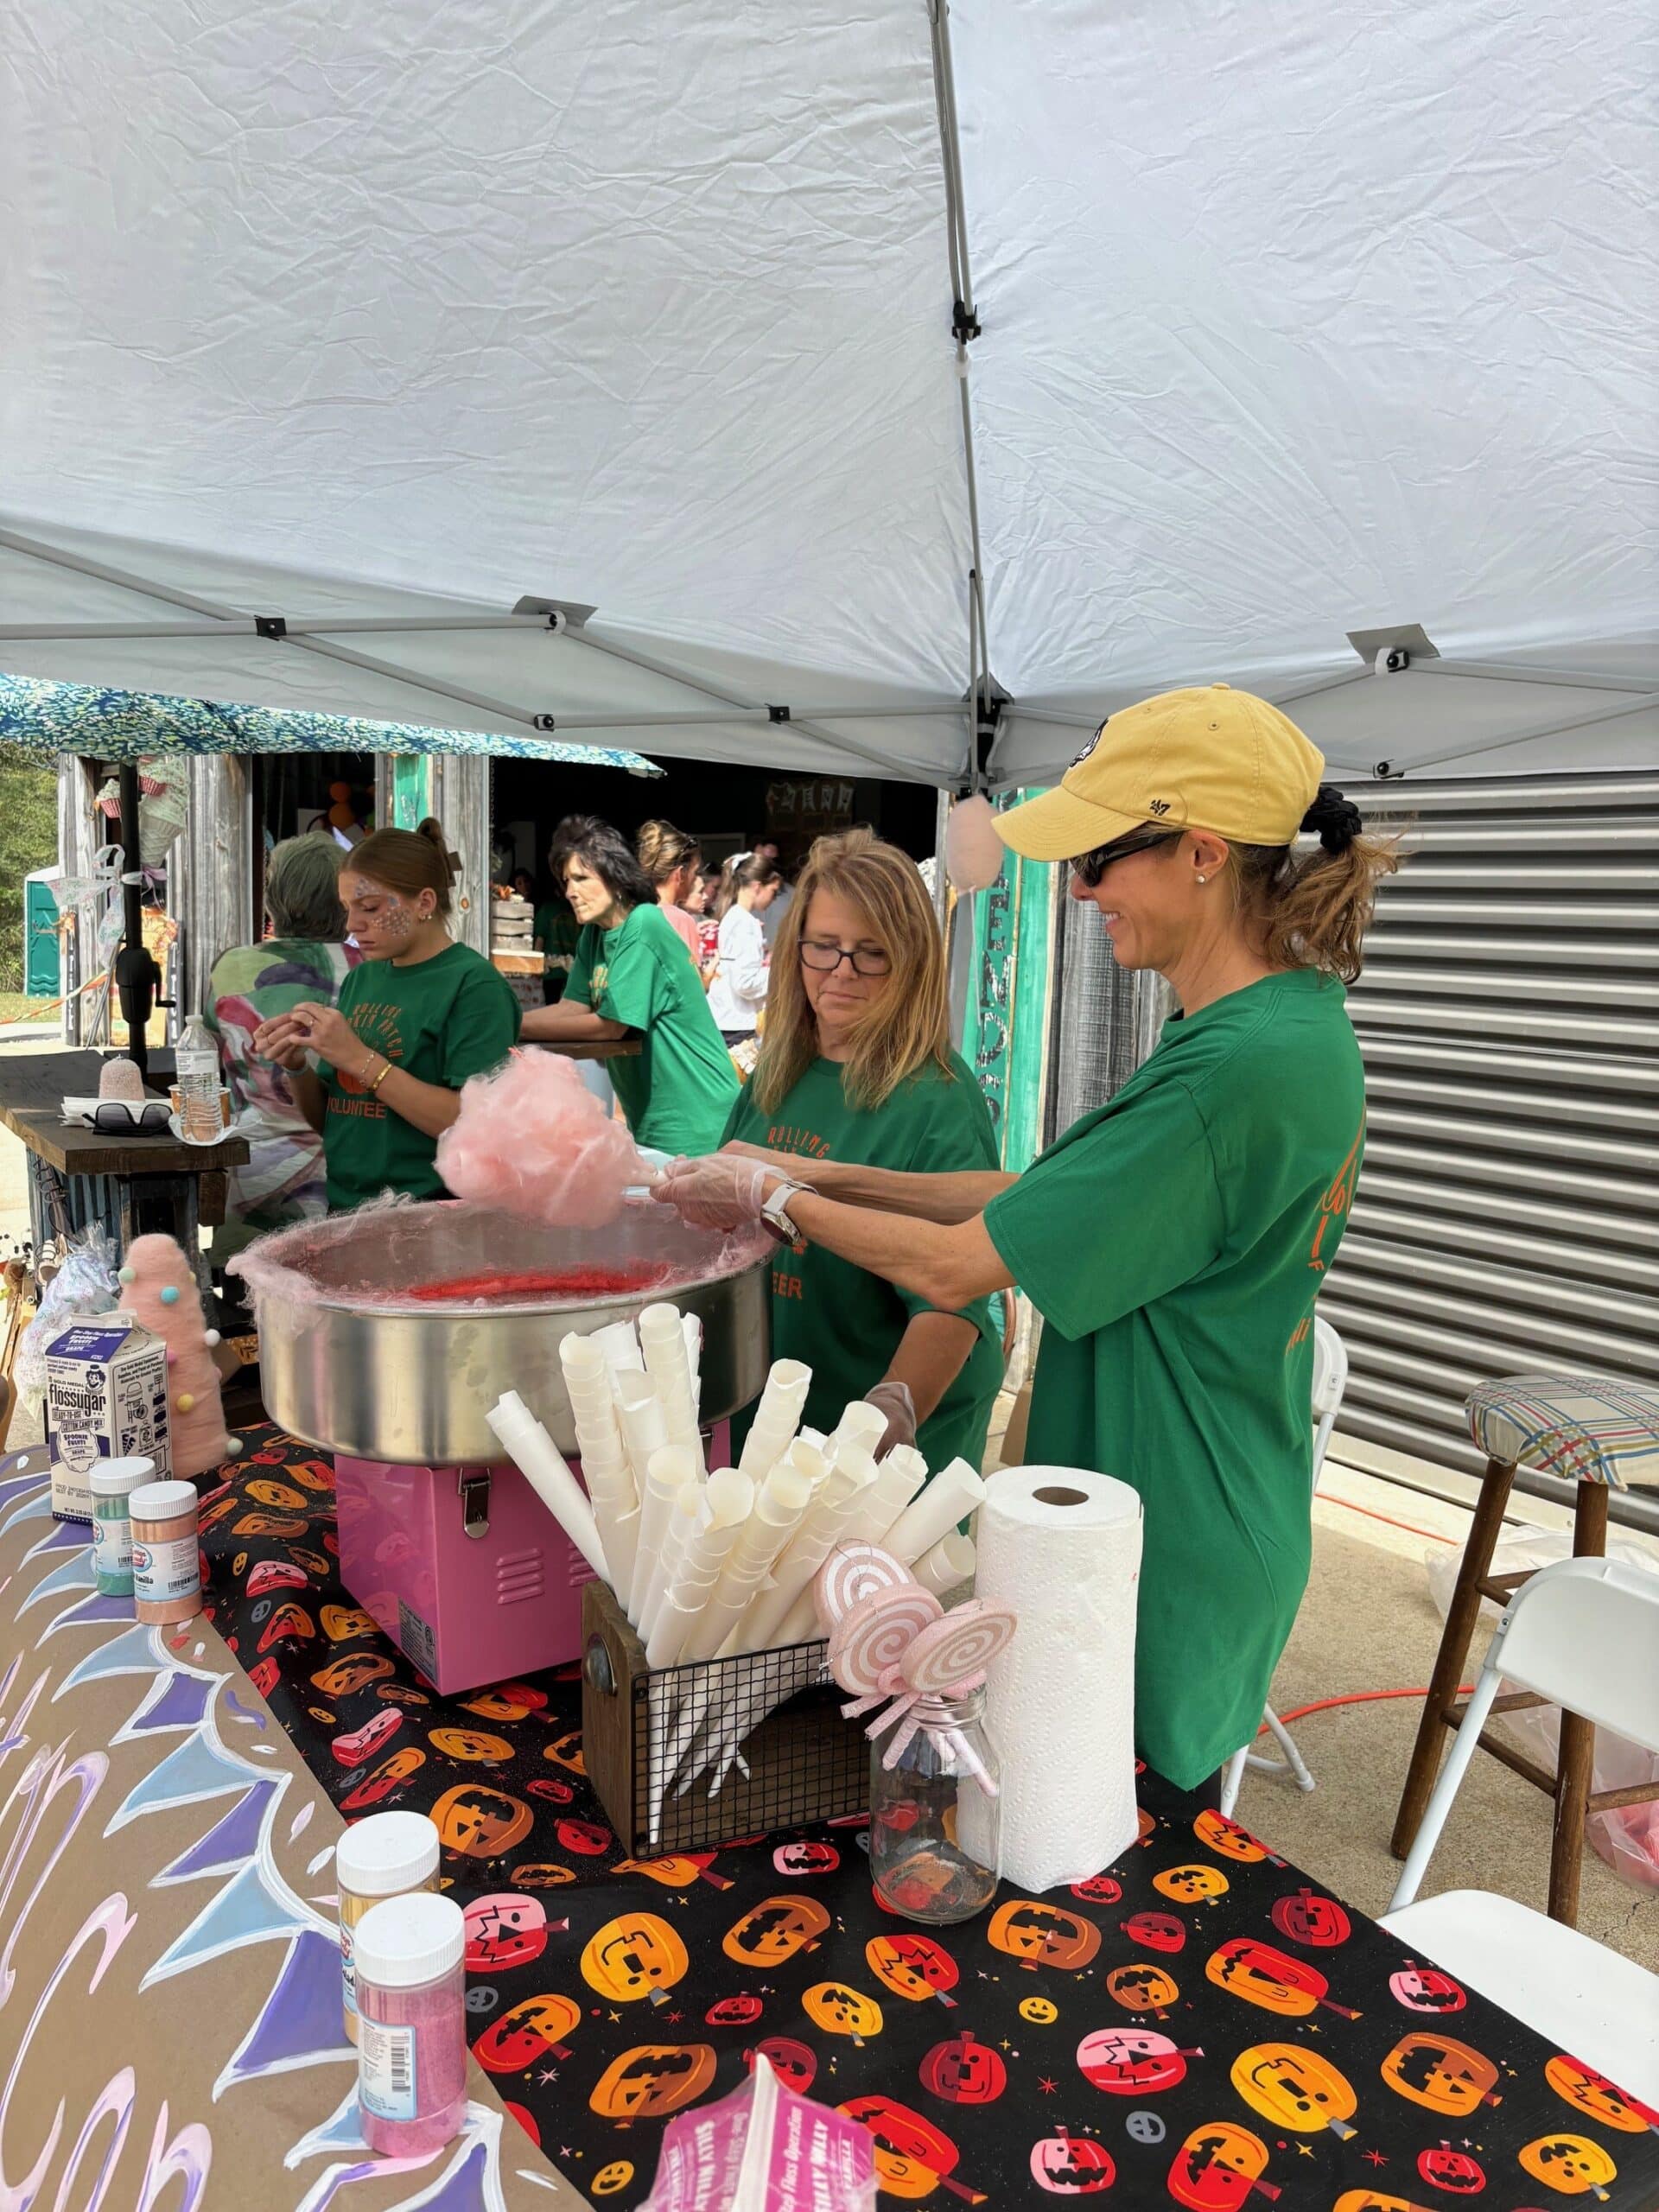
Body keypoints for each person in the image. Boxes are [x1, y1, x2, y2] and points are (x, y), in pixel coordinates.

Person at [657, 685, 1397, 1797]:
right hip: (1168, 1500)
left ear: (1201, 852)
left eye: (1102, 857)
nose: (1082, 885)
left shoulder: (1237, 1065)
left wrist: (776, 1202)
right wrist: (811, 1167)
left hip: (1164, 1528)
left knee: (1113, 1876)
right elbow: (1041, 1191)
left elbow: (960, 1268)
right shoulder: (1269, 1026)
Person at [724, 830, 1004, 1469]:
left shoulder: (936, 1097)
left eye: (870, 954)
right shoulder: (776, 1073)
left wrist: (892, 1408)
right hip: (770, 1419)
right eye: (823, 948)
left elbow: (956, 1296)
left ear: (910, 962)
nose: (841, 972)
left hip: (876, 1448)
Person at [251, 818, 520, 1211]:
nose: (352, 925)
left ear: (424, 903)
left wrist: (359, 1059)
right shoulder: (364, 977)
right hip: (347, 1210)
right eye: (348, 909)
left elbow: (476, 1126)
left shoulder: (475, 986)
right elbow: (335, 1119)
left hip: (432, 1217)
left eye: (370, 907)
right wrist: (296, 1066)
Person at [520, 815, 739, 1154]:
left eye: (580, 878)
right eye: (566, 881)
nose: (570, 892)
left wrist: (511, 1025)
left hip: (698, 1120)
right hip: (654, 1122)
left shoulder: (645, 924)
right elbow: (571, 1008)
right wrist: (509, 1020)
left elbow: (612, 1026)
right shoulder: (594, 933)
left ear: (615, 877)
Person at [206, 835, 359, 1260]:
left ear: (274, 899)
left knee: (245, 1317)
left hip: (252, 1182)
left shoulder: (231, 967)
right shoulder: (371, 972)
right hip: (343, 1189)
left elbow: (206, 1045)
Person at [707, 852, 782, 1044]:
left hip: (728, 1019)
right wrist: (778, 972)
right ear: (758, 887)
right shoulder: (744, 922)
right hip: (737, 1024)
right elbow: (745, 982)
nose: (773, 899)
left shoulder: (735, 917)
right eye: (773, 891)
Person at [636, 819, 704, 963]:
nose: (695, 878)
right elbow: (693, 983)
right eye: (695, 872)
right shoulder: (682, 921)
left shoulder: (635, 915)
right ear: (680, 874)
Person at [532, 873, 581, 1004]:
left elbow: (539, 940)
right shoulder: (580, 911)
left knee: (551, 1007)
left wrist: (535, 966)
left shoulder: (547, 909)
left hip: (551, 970)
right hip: (575, 970)